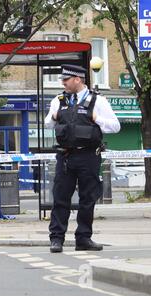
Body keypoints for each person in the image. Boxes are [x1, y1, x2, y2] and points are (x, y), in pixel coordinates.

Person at [44, 64, 120, 253]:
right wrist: (53, 116)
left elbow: (115, 126)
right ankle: (56, 239)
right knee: (61, 198)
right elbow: (47, 124)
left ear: (78, 79)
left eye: (66, 80)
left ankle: (83, 238)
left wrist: (97, 118)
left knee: (88, 199)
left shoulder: (98, 101)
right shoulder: (59, 100)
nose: (63, 83)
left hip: (88, 156)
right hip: (66, 156)